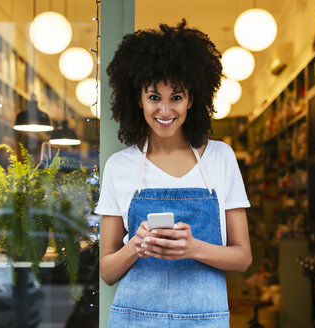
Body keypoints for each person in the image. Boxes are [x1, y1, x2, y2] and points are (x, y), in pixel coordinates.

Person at [96, 19, 252, 328]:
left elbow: (243, 258)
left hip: (205, 321)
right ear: (137, 99)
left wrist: (194, 248)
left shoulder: (221, 157)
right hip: (133, 319)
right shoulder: (120, 166)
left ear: (192, 99)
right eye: (154, 97)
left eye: (176, 97)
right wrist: (134, 247)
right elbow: (107, 271)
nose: (165, 111)